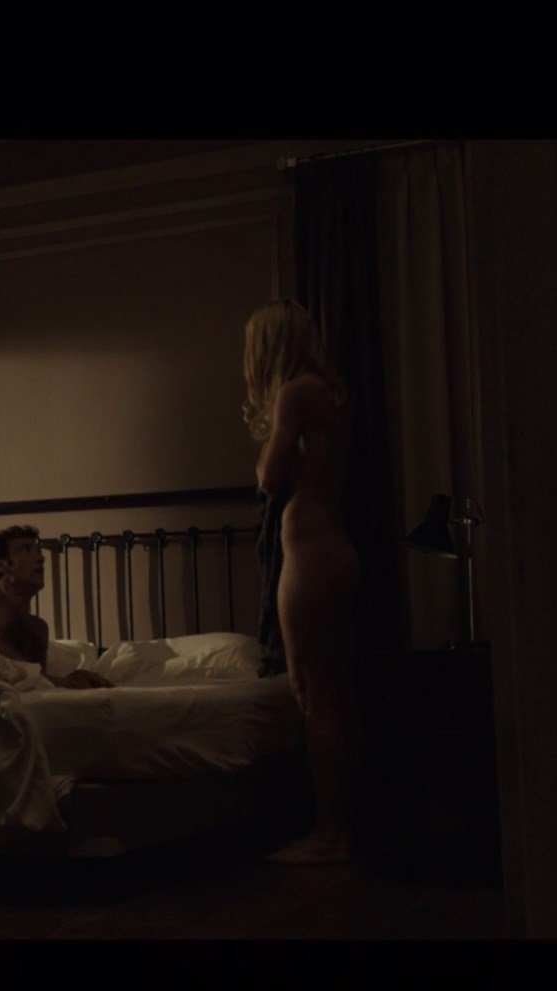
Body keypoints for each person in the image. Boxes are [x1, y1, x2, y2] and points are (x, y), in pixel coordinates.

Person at [243, 299, 361, 865]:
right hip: (335, 547)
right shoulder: (331, 393)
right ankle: (345, 828)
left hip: (310, 556)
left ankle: (327, 834)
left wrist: (268, 441)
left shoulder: (293, 392)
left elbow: (270, 478)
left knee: (312, 695)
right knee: (336, 693)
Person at [0, 523, 114, 689]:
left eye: (38, 551)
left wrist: (71, 680)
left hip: (4, 686)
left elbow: (36, 682)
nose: (41, 558)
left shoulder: (37, 628)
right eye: (26, 550)